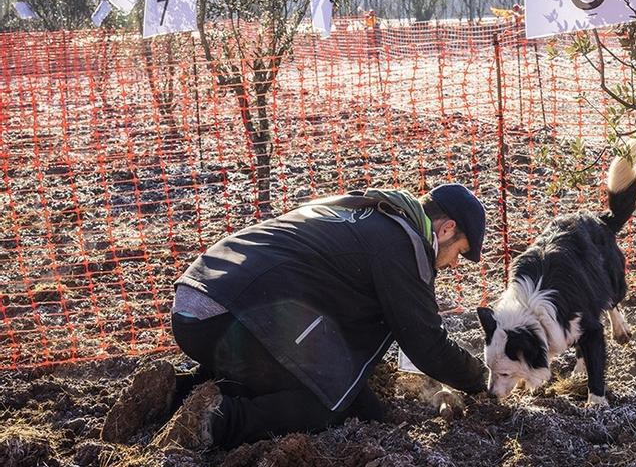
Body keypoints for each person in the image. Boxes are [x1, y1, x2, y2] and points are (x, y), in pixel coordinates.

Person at [139, 183, 490, 450]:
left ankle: (177, 392)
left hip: (198, 300)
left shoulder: (370, 211)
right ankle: (215, 422)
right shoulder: (403, 245)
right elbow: (426, 343)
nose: (454, 264)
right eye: (459, 252)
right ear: (446, 229)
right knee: (329, 403)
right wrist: (481, 380)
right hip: (227, 313)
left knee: (351, 395)